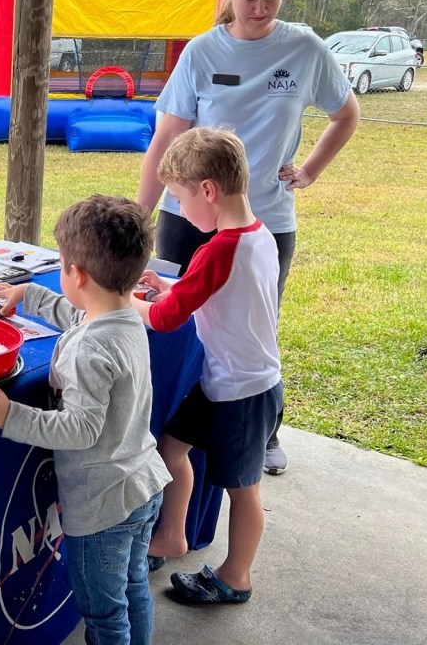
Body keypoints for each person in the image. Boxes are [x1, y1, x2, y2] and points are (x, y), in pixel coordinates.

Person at [136, 0, 360, 475]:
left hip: (264, 220)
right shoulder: (202, 51)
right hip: (190, 214)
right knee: (177, 319)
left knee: (253, 329)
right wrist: (138, 217)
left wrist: (309, 170)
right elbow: (167, 137)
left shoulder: (305, 48)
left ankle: (261, 434)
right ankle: (170, 421)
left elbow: (345, 113)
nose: (260, 9)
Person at [0, 195, 171, 645]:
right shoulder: (125, 317)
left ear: (76, 274)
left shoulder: (90, 349)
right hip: (143, 485)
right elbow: (81, 315)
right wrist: (31, 295)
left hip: (104, 507)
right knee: (134, 586)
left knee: (105, 614)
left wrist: (10, 415)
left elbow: (80, 428)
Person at [133, 127, 282, 606]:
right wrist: (172, 286)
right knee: (169, 448)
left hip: (244, 393)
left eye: (179, 199)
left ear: (208, 190)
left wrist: (119, 300)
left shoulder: (219, 249)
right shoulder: (258, 235)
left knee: (244, 489)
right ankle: (171, 536)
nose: (178, 209)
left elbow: (164, 318)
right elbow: (216, 292)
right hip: (223, 381)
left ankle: (236, 576)